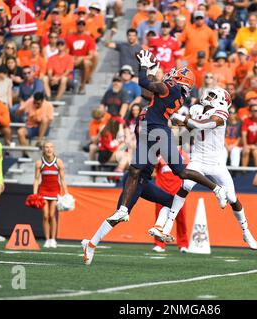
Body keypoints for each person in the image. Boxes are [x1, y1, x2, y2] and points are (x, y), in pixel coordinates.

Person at [81, 51, 228, 265]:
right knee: (142, 196)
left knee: (165, 178)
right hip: (145, 165)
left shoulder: (168, 92)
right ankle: (92, 243)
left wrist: (144, 67)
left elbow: (145, 85)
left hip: (151, 148)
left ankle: (213, 190)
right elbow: (151, 97)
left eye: (175, 74)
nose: (171, 74)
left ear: (180, 80)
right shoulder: (175, 98)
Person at [168, 87, 257, 249]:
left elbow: (200, 124)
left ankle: (246, 231)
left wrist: (178, 117)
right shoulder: (196, 108)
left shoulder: (222, 113)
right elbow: (187, 133)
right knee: (186, 185)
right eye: (209, 94)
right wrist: (173, 136)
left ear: (222, 101)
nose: (208, 96)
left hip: (216, 162)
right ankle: (168, 223)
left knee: (232, 197)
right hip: (198, 158)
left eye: (212, 95)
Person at [152, 149, 189, 253]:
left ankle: (183, 244)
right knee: (160, 219)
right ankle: (159, 244)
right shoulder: (160, 155)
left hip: (179, 192)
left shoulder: (183, 156)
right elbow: (153, 173)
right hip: (162, 192)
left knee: (181, 219)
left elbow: (189, 172)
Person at [33, 141, 68, 248]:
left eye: (51, 147)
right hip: (43, 191)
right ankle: (47, 240)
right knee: (45, 215)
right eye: (46, 147)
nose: (49, 149)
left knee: (52, 215)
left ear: (54, 149)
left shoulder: (59, 162)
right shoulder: (39, 163)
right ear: (43, 149)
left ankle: (53, 239)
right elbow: (36, 179)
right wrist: (35, 194)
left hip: (54, 191)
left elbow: (62, 180)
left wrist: (66, 193)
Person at [241, 101, 257, 167]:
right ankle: (243, 172)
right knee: (245, 151)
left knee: (256, 152)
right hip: (248, 144)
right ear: (251, 112)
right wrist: (245, 145)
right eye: (255, 111)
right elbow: (244, 134)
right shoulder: (247, 120)